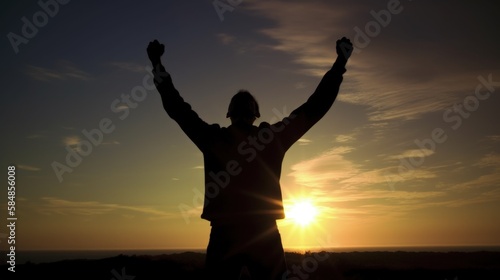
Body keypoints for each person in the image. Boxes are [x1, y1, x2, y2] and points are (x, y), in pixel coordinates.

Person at [147, 37, 352, 280]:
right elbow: (314, 107)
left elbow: (177, 108)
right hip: (259, 231)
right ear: (255, 114)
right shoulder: (270, 139)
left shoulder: (215, 139)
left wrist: (157, 64)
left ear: (229, 114)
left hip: (228, 232)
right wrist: (340, 63)